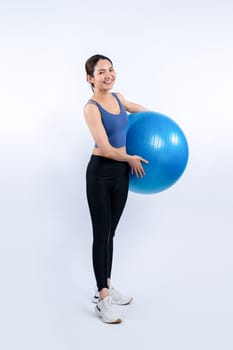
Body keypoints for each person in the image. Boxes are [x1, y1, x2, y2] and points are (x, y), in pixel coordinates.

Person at [84, 54, 148, 324]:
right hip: (101, 173)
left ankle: (107, 283)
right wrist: (131, 158)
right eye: (101, 72)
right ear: (90, 78)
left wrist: (156, 125)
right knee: (101, 233)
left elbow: (144, 113)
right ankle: (103, 297)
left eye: (110, 69)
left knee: (111, 232)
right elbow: (108, 149)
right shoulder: (91, 108)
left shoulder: (119, 99)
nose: (108, 75)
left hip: (122, 174)